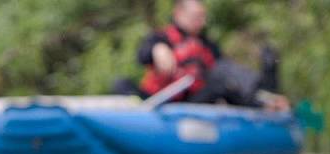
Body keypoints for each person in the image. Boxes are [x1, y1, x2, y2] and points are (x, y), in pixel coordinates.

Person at [113, 0, 290, 111]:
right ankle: (138, 117)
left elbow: (229, 78)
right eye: (197, 17)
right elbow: (142, 55)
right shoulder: (160, 38)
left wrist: (259, 102)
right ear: (179, 14)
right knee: (121, 83)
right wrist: (157, 49)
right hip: (158, 98)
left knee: (222, 82)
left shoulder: (207, 45)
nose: (202, 22)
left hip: (190, 102)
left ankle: (264, 100)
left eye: (203, 17)